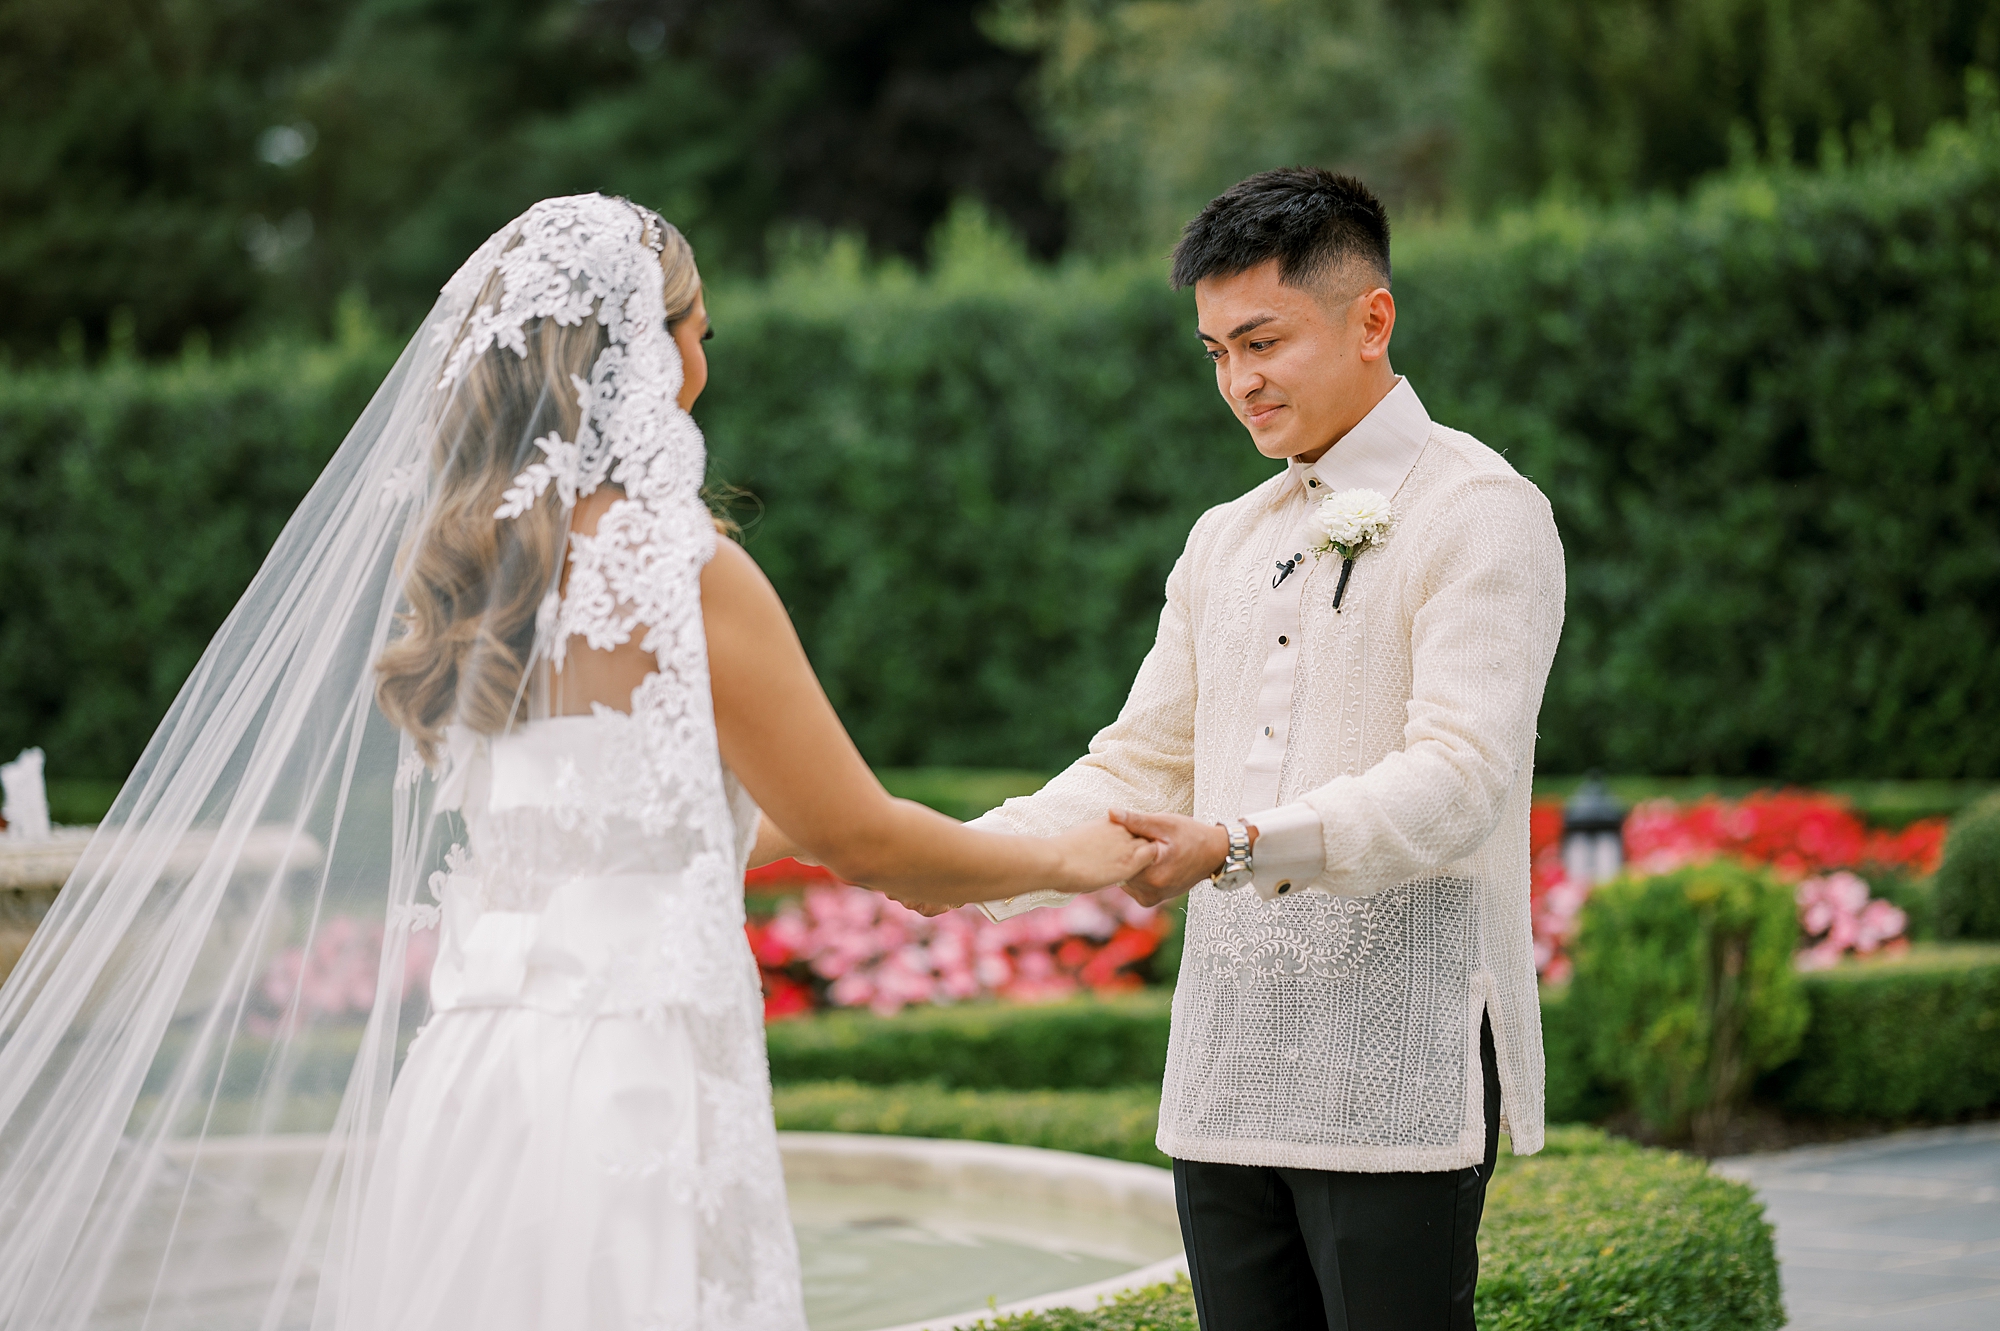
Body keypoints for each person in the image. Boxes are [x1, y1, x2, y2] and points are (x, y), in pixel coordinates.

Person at [0, 194, 1154, 1331]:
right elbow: (863, 834)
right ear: (641, 355)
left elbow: (624, 829)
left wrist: (803, 828)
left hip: (471, 1078)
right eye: (693, 326)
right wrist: (1065, 854)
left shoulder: (471, 567)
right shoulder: (677, 566)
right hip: (631, 1081)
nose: (706, 354)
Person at [940, 169, 1567, 1329]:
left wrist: (1233, 841)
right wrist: (947, 857)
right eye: (1215, 351)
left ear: (1370, 320)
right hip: (1224, 1068)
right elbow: (1136, 761)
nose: (1237, 381)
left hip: (1398, 1058)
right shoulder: (1222, 539)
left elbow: (1461, 779)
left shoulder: (1481, 510)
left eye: (1261, 340)